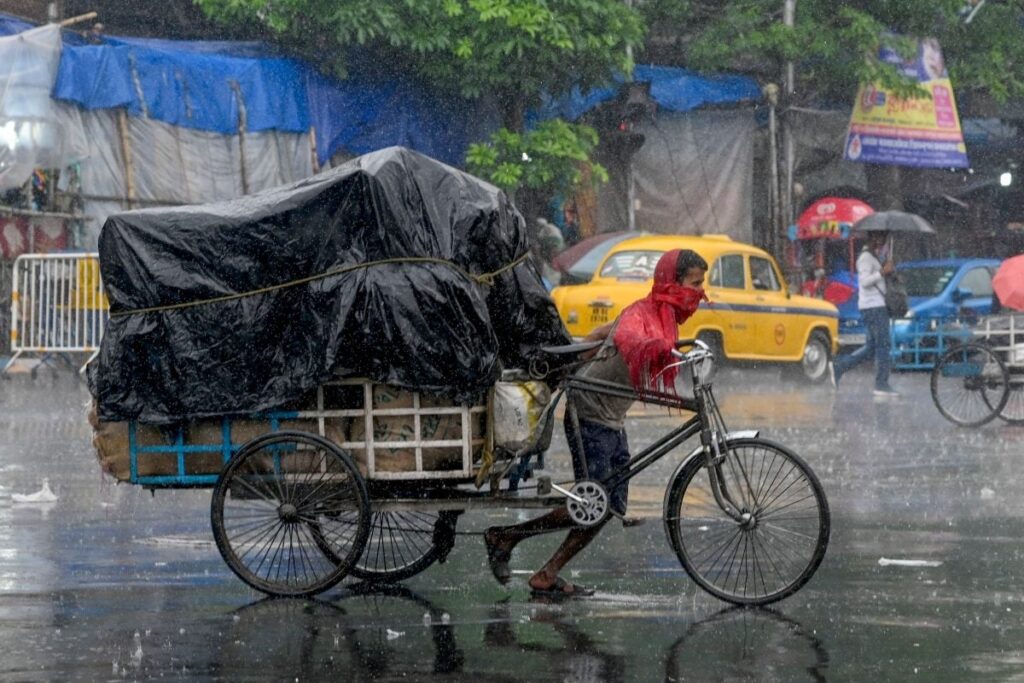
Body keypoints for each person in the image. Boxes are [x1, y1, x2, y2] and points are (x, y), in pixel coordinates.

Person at [484, 249, 709, 597]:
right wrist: (649, 347)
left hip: (611, 416)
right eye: (694, 284)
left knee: (609, 506)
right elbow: (628, 334)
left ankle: (544, 573)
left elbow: (603, 333)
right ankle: (506, 537)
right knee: (594, 503)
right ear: (672, 283)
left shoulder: (661, 318)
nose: (700, 293)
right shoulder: (642, 314)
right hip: (590, 411)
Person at [829, 231, 898, 397]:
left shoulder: (874, 257)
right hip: (873, 307)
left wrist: (887, 270)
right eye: (881, 238)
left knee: (871, 347)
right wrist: (882, 272)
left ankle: (840, 367)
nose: (883, 242)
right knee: (883, 345)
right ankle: (881, 384)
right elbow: (865, 282)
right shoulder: (865, 258)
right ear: (873, 238)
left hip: (877, 305)